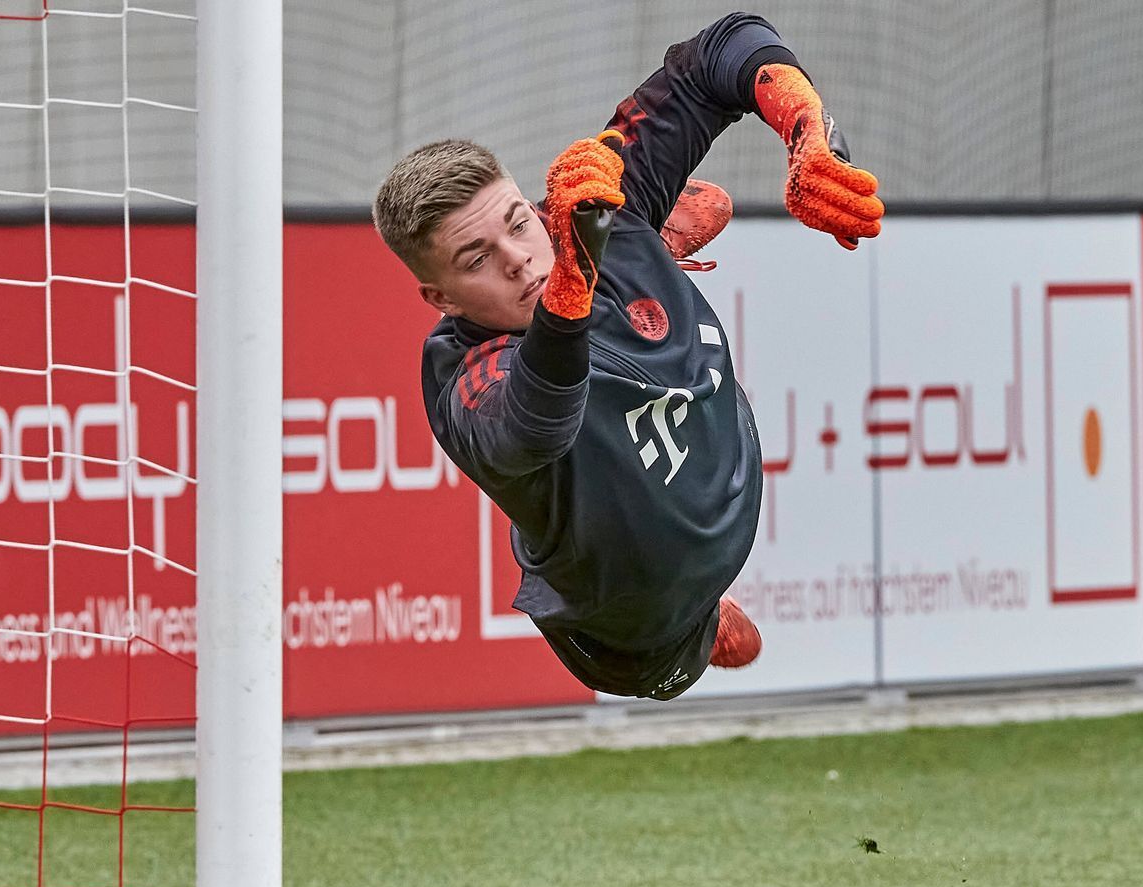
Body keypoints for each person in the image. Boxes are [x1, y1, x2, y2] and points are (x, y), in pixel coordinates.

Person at [372, 12, 883, 700]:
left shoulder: (585, 207)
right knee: (660, 673)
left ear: (529, 204)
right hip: (633, 635)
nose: (519, 260)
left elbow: (723, 49)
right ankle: (701, 630)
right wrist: (574, 279)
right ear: (441, 299)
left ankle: (648, 251)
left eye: (518, 224)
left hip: (723, 487)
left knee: (622, 221)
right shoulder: (464, 377)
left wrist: (811, 137)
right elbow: (534, 424)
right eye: (478, 260)